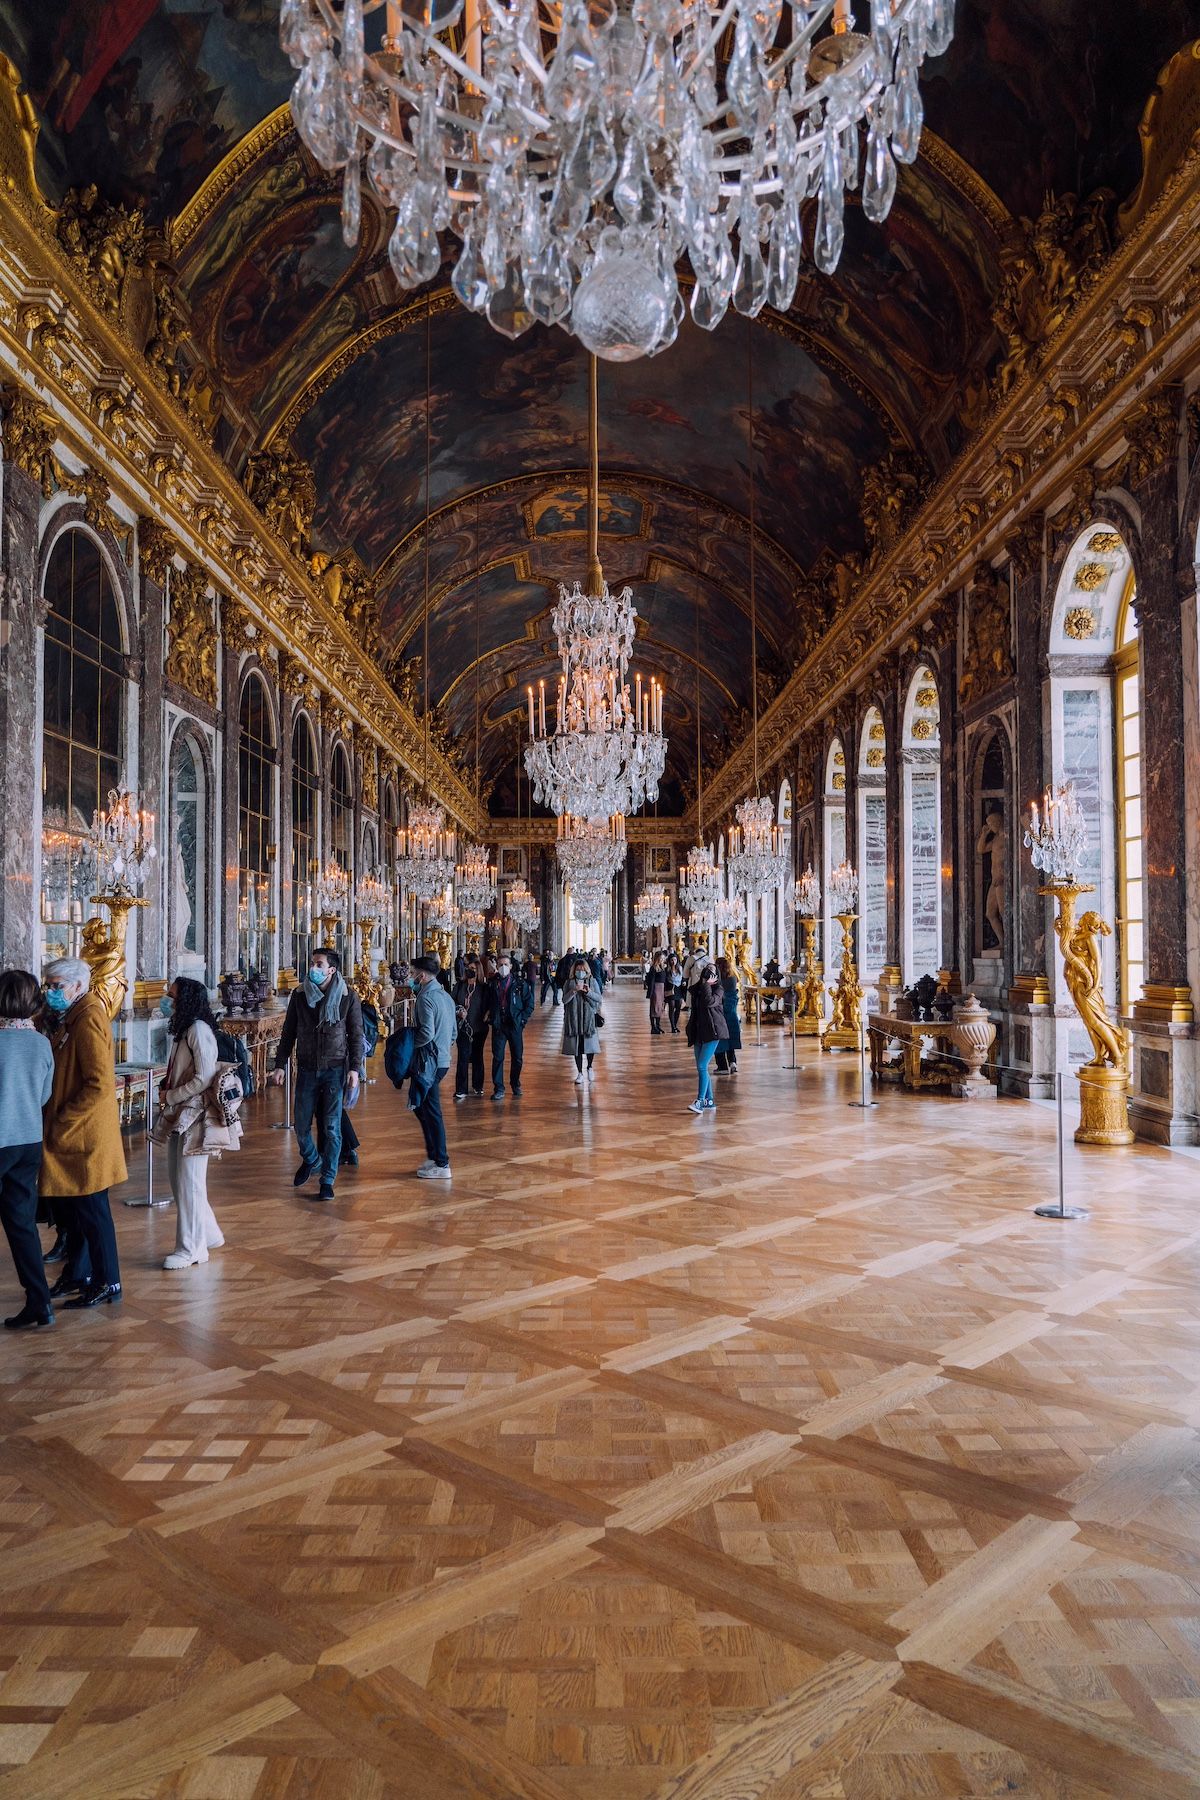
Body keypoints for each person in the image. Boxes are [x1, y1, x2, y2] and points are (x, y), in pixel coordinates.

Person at [40, 957, 125, 1308]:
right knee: (76, 1213)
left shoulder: (88, 1017)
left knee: (93, 1212)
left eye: (57, 985)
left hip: (84, 1135)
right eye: (48, 985)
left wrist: (63, 1119)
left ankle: (108, 1281)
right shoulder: (73, 1016)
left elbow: (98, 1084)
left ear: (77, 986)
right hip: (74, 1136)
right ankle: (78, 1274)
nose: (51, 992)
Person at [270, 946, 362, 1203]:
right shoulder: (299, 996)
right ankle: (312, 1159)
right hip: (308, 1068)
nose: (313, 968)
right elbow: (288, 1032)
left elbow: (356, 1035)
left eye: (319, 964)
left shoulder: (347, 996)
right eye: (312, 963)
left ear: (331, 970)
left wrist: (354, 1069)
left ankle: (328, 1180)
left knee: (332, 1128)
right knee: (300, 1126)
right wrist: (279, 1063)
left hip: (335, 1068)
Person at [154, 976, 233, 1269]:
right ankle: (209, 1232)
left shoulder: (199, 1030)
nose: (167, 999)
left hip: (196, 1112)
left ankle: (192, 1249)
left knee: (190, 1181)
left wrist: (172, 1095)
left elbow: (204, 1077)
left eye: (172, 996)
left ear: (185, 1000)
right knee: (180, 1180)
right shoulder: (184, 1029)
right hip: (180, 1111)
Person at [0, 969, 56, 1329]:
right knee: (22, 1226)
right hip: (28, 1142)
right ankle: (40, 1302)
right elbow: (45, 1095)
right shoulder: (41, 1042)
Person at [410, 954, 456, 1178]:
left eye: (412, 973)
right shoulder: (445, 996)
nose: (411, 977)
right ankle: (434, 1156)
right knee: (421, 1107)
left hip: (430, 1062)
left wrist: (410, 1046)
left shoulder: (426, 998)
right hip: (442, 1060)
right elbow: (454, 1032)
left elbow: (426, 1032)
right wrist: (443, 1048)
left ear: (422, 975)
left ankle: (442, 1162)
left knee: (431, 1110)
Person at [489, 950, 533, 1099]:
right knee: (498, 1058)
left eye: (505, 964)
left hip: (515, 1024)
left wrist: (522, 1019)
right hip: (498, 1025)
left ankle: (515, 1083)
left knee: (517, 1057)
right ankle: (499, 1088)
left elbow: (529, 1004)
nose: (503, 967)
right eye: (500, 964)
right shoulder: (491, 983)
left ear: (511, 966)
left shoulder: (520, 984)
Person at [685, 961, 728, 1114]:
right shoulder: (700, 988)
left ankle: (700, 1102)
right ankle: (709, 1100)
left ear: (717, 975)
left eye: (712, 971)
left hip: (713, 1031)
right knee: (701, 1068)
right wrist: (703, 981)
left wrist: (707, 985)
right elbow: (691, 990)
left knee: (702, 1066)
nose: (709, 973)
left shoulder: (719, 989)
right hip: (698, 1031)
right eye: (707, 971)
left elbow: (709, 1002)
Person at [453, 955, 489, 1100]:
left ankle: (478, 1085)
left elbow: (488, 1004)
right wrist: (458, 1010)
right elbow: (452, 1001)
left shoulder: (483, 988)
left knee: (477, 1056)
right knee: (462, 1057)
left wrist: (488, 1013)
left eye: (473, 968)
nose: (469, 970)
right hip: (463, 1027)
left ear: (478, 970)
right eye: (468, 968)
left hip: (479, 1027)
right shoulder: (460, 986)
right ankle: (461, 1089)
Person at [560, 959, 601, 1083]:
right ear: (574, 970)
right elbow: (564, 1000)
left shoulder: (592, 982)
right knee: (577, 1047)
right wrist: (573, 991)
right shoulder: (569, 982)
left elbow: (598, 998)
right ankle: (579, 1072)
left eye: (583, 970)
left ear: (587, 970)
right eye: (578, 970)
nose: (580, 972)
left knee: (589, 1046)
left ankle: (589, 1067)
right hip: (574, 1020)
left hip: (588, 1020)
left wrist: (588, 992)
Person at [713, 956, 743, 1076]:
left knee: (719, 1041)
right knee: (730, 1040)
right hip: (732, 1014)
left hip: (719, 1015)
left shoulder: (716, 982)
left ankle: (722, 1066)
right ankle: (733, 1062)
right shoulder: (733, 979)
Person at [644, 951, 667, 1035]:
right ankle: (653, 1027)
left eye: (663, 959)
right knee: (654, 1007)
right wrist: (651, 992)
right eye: (661, 958)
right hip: (656, 989)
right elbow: (651, 981)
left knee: (660, 1007)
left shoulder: (663, 967)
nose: (662, 960)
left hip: (661, 988)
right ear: (657, 959)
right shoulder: (653, 968)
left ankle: (658, 1025)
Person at [666, 952, 685, 1035]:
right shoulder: (667, 969)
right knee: (672, 1006)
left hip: (678, 988)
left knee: (678, 1007)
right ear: (669, 961)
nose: (673, 961)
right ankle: (673, 1026)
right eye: (672, 960)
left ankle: (675, 1025)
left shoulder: (680, 968)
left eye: (675, 960)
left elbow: (683, 977)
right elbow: (666, 980)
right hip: (671, 988)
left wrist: (684, 982)